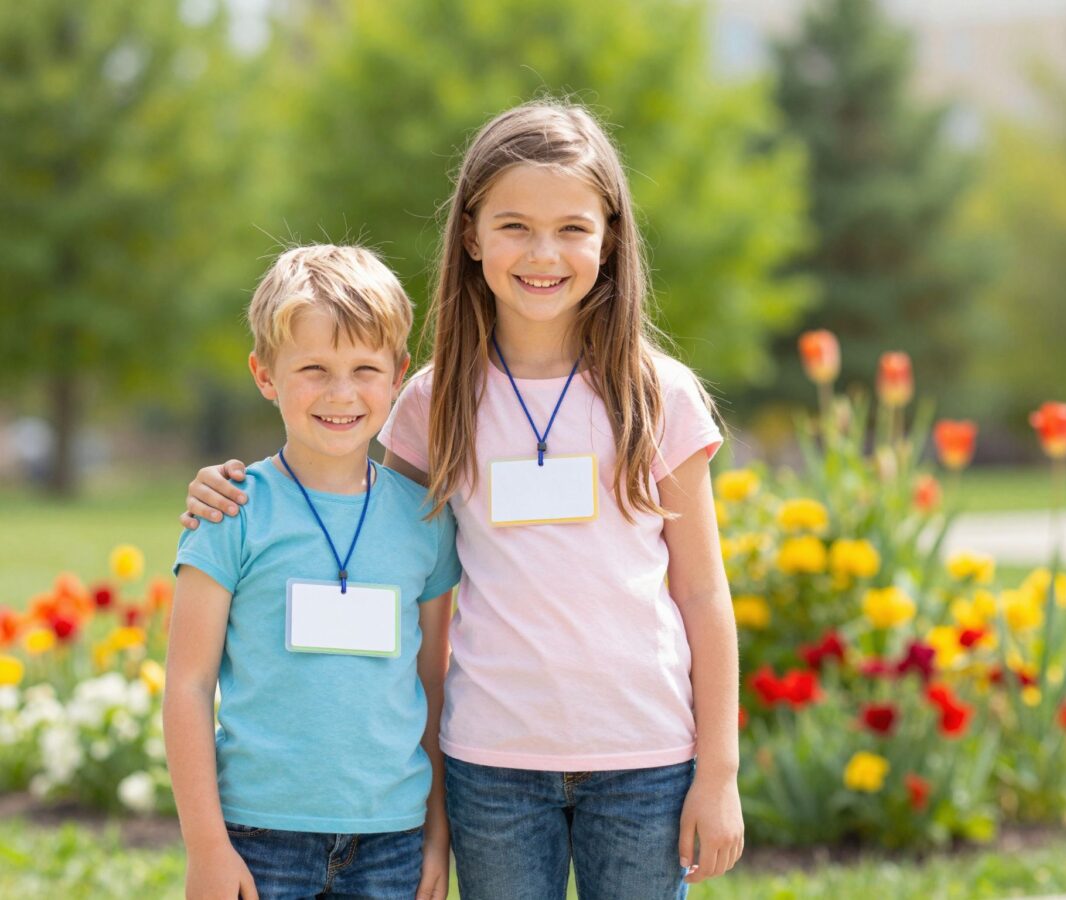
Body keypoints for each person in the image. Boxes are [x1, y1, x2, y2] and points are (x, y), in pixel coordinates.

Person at [182, 101, 743, 898]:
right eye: (514, 225)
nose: (543, 253)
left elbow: (702, 591)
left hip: (646, 758)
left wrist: (717, 771)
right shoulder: (429, 402)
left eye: (573, 228)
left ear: (611, 238)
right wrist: (226, 489)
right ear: (472, 236)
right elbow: (370, 535)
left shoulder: (659, 395)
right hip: (492, 764)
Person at [165, 245, 460, 900]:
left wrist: (437, 837)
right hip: (258, 837)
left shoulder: (427, 521)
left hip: (393, 839)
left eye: (364, 369)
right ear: (265, 375)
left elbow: (434, 685)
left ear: (398, 375)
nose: (341, 393)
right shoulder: (232, 513)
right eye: (314, 369)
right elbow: (187, 685)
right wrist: (207, 847)